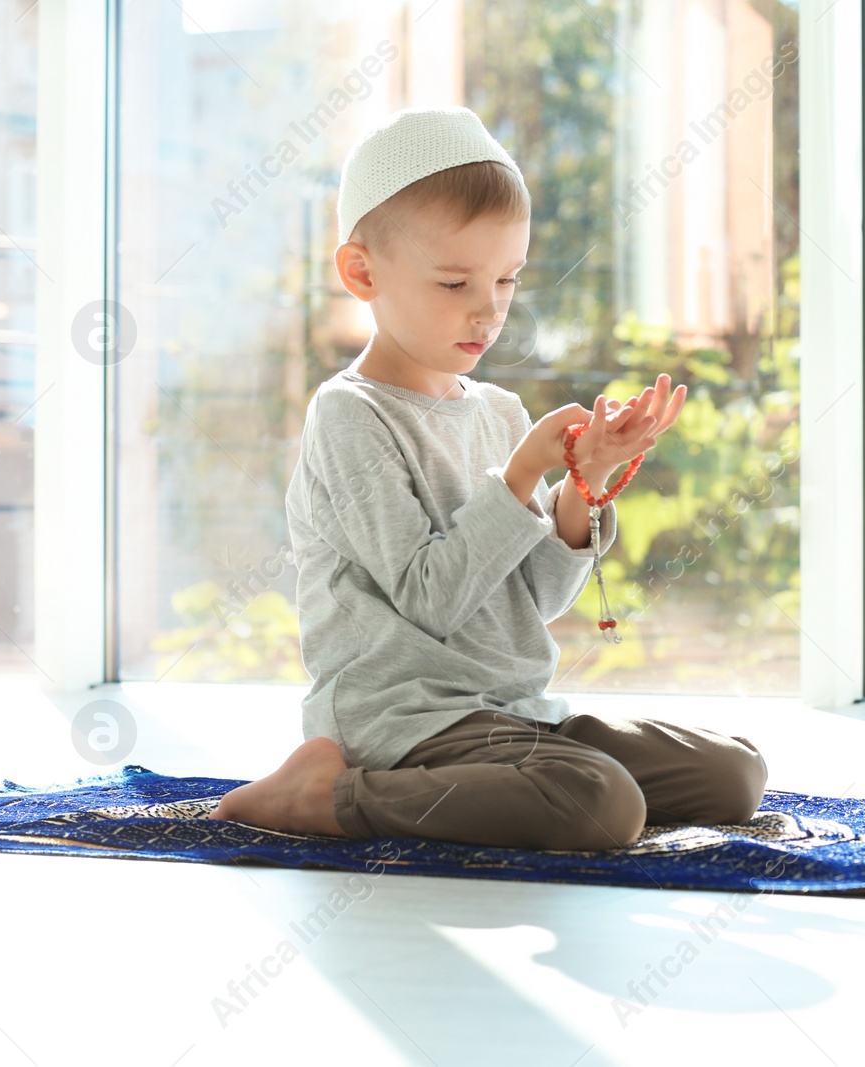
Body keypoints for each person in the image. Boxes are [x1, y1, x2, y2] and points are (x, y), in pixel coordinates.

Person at [213, 106, 768, 850]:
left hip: (514, 714)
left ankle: (514, 775)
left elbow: (533, 598)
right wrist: (524, 471)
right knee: (601, 805)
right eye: (454, 282)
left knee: (734, 775)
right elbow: (431, 597)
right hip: (406, 722)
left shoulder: (499, 410)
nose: (489, 308)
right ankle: (331, 793)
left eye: (507, 278)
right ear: (362, 272)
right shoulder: (349, 414)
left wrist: (582, 483)